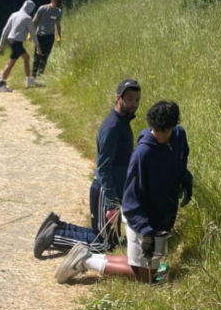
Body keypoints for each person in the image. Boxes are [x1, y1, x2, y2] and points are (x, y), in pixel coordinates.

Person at [56, 100, 193, 285]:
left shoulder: (179, 136)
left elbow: (180, 160)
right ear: (151, 126)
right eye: (157, 131)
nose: (161, 136)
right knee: (144, 277)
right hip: (140, 217)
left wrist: (185, 179)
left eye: (166, 131)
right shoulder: (143, 153)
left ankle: (88, 255)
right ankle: (85, 261)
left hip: (162, 215)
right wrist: (145, 232)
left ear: (174, 126)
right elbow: (131, 200)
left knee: (149, 267)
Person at [33, 79, 142, 258]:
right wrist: (112, 203)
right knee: (103, 246)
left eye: (137, 100)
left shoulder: (122, 122)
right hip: (104, 191)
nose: (134, 104)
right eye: (130, 99)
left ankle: (61, 227)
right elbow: (104, 168)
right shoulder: (113, 128)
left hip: (112, 190)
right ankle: (54, 236)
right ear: (118, 98)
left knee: (111, 241)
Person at [0, 0, 39, 91]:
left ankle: (28, 80)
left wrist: (1, 42)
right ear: (30, 9)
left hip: (11, 40)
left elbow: (5, 29)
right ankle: (1, 84)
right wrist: (38, 45)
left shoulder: (14, 14)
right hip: (17, 42)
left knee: (26, 58)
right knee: (11, 64)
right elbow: (32, 33)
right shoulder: (27, 18)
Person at [31, 0, 63, 82]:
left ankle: (40, 77)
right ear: (51, 1)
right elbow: (35, 20)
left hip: (50, 36)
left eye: (57, 6)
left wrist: (59, 37)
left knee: (45, 56)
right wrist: (30, 33)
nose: (55, 7)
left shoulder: (58, 11)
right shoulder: (43, 8)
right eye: (55, 5)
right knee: (37, 56)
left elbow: (58, 25)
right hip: (40, 35)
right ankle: (33, 76)